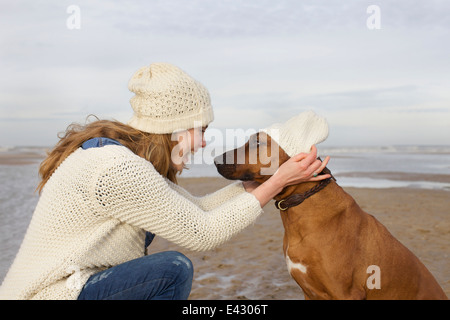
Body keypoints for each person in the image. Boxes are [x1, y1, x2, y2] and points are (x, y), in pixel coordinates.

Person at [0, 63, 330, 300]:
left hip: (72, 288)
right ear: (176, 128)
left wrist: (253, 184)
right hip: (50, 295)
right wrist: (276, 183)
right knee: (172, 268)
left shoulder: (124, 162)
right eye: (201, 131)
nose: (202, 143)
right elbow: (203, 233)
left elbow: (196, 208)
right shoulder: (117, 168)